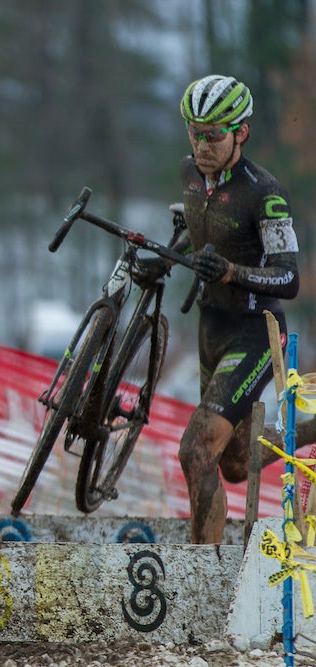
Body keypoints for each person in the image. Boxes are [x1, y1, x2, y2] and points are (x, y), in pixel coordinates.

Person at [173, 74, 300, 543]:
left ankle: (202, 576)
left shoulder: (264, 193)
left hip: (255, 332)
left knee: (196, 450)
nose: (202, 146)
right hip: (210, 327)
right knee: (230, 461)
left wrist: (232, 271)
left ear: (241, 133)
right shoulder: (189, 174)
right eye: (194, 132)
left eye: (214, 135)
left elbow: (289, 278)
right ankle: (311, 431)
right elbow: (203, 226)